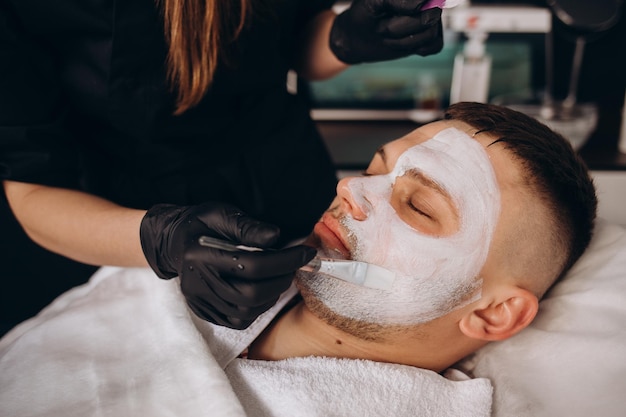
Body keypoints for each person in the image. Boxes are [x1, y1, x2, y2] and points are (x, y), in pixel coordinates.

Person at [0, 102, 597, 416]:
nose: (351, 191)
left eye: (418, 206)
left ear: (494, 316)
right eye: (373, 168)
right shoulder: (203, 269)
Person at [0, 0, 445, 330]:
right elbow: (32, 185)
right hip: (106, 225)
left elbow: (292, 43)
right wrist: (162, 241)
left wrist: (342, 38)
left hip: (284, 180)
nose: (353, 188)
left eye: (422, 206)